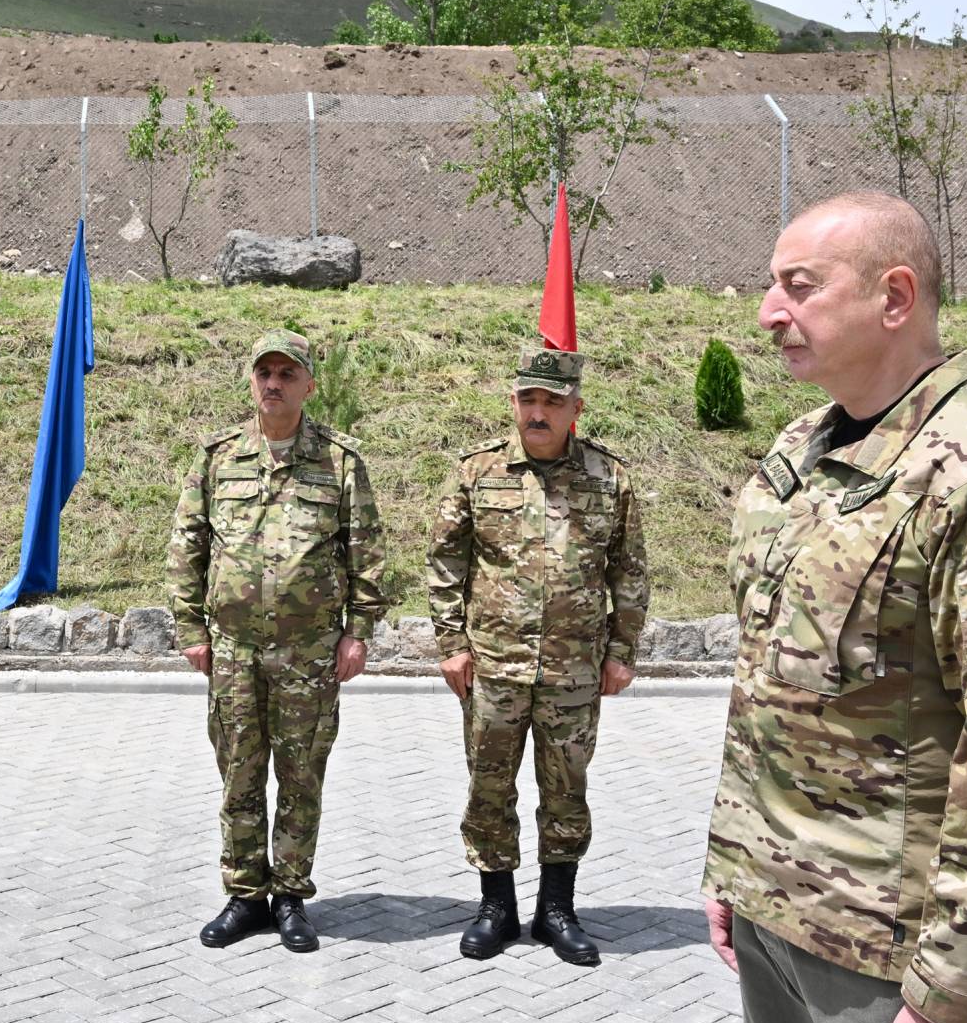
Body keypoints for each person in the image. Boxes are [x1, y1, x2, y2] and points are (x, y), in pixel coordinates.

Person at [702, 191, 967, 1023]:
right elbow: (766, 685)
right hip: (775, 912)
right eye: (773, 286)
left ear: (894, 297)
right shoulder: (803, 450)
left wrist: (953, 993)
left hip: (889, 955)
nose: (768, 312)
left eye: (799, 286)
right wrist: (737, 865)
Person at [167, 328, 390, 954]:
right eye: (264, 372)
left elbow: (366, 552)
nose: (273, 383)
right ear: (251, 381)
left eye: (287, 374)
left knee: (300, 776)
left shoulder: (340, 462)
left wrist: (358, 633)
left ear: (309, 385)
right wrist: (190, 629)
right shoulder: (217, 458)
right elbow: (187, 547)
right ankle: (245, 896)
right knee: (239, 775)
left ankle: (290, 895)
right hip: (234, 651)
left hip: (309, 652)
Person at [425, 346, 648, 966]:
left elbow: (629, 570)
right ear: (514, 403)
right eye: (528, 400)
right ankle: (495, 907)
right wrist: (451, 644)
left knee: (566, 790)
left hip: (574, 669)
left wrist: (622, 651)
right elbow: (445, 561)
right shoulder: (477, 471)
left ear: (576, 408)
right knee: (488, 787)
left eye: (553, 401)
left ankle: (557, 911)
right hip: (494, 665)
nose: (538, 412)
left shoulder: (609, 476)